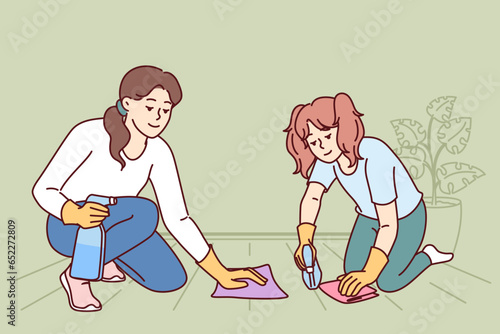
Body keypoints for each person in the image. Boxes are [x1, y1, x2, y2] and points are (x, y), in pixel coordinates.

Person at [32, 65, 266, 312]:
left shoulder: (159, 151)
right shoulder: (90, 133)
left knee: (170, 279)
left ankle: (104, 257)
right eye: (150, 107)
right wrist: (72, 213)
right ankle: (77, 276)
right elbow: (43, 189)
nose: (158, 117)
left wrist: (221, 273)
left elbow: (178, 217)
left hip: (119, 225)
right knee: (145, 212)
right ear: (128, 103)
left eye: (166, 110)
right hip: (70, 227)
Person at [284, 93, 453, 297]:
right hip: (368, 217)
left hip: (407, 218)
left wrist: (370, 272)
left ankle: (427, 256)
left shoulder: (374, 156)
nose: (321, 147)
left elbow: (389, 224)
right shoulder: (327, 158)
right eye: (313, 142)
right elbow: (312, 196)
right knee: (351, 272)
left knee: (387, 281)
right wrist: (305, 240)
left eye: (327, 136)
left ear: (343, 128)